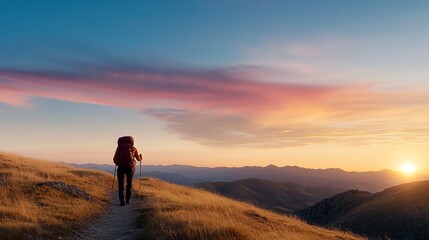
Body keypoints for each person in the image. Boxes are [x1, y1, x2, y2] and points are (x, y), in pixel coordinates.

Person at [113, 136, 142, 206]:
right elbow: (138, 158)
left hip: (120, 168)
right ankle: (128, 200)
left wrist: (118, 163)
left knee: (121, 185)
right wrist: (141, 157)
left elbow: (115, 159)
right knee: (129, 184)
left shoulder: (119, 148)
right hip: (130, 168)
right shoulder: (133, 149)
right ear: (132, 141)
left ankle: (122, 202)